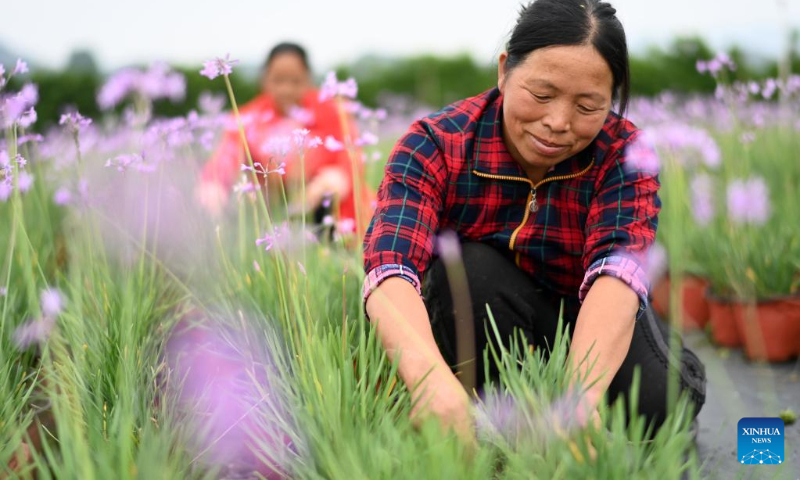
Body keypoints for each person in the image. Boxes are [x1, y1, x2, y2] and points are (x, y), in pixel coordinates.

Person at [362, 0, 706, 441]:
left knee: (657, 407)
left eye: (587, 106)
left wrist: (581, 397)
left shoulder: (624, 153)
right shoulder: (436, 143)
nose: (557, 123)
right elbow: (390, 266)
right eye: (541, 95)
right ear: (504, 71)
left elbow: (617, 275)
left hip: (588, 312)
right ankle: (496, 413)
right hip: (487, 313)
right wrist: (428, 381)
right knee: (468, 269)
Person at [196, 42, 373, 229]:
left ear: (308, 80)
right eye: (278, 80)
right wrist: (213, 184)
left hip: (331, 210)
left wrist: (339, 176)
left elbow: (351, 156)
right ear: (264, 80)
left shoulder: (332, 110)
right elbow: (227, 155)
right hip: (272, 214)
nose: (286, 89)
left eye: (295, 81)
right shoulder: (247, 118)